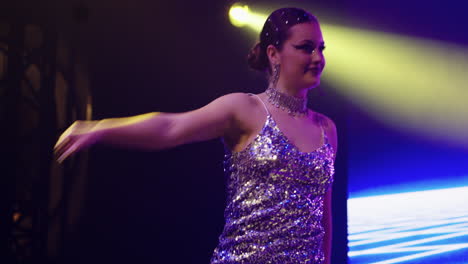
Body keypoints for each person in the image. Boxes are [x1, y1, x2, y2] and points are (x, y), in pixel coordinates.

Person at [54, 7, 337, 264]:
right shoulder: (245, 109)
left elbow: (324, 217)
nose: (318, 58)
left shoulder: (326, 129)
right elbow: (170, 127)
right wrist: (99, 127)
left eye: (321, 49)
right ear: (274, 54)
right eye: (306, 48)